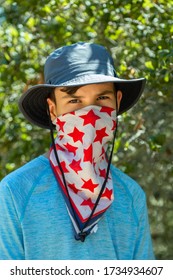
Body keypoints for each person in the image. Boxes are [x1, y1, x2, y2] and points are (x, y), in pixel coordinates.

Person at [0, 42, 155, 260]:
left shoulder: (131, 196)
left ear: (117, 103)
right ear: (52, 109)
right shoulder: (16, 192)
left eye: (102, 99)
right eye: (74, 100)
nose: (90, 115)